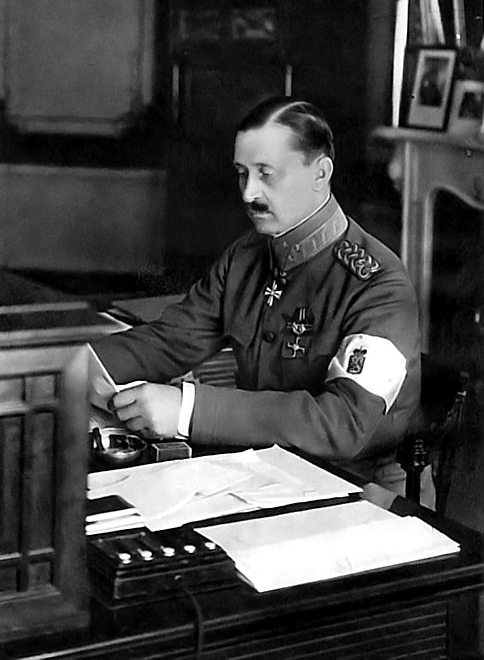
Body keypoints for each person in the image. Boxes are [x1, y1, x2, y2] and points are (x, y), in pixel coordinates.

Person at [91, 97, 421, 498]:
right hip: (261, 474)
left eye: (267, 174)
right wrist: (59, 368)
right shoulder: (247, 257)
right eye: (242, 173)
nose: (249, 193)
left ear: (321, 173)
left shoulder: (379, 284)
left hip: (358, 491)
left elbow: (342, 424)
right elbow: (169, 341)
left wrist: (188, 410)